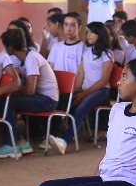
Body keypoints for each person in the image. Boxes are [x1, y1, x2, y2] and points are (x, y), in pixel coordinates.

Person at [0, 27, 59, 159]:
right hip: (42, 97)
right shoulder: (26, 58)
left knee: (7, 102)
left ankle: (11, 144)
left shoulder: (31, 58)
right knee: (6, 100)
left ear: (9, 48)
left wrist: (12, 92)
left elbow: (29, 90)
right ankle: (20, 142)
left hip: (47, 100)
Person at [48, 22, 115, 154]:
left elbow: (104, 80)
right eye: (87, 32)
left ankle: (64, 141)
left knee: (81, 107)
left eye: (91, 32)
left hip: (102, 91)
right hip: (86, 90)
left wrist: (83, 94)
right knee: (63, 100)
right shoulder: (87, 50)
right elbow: (80, 74)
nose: (88, 35)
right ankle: (54, 135)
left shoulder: (107, 54)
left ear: (99, 34)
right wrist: (74, 91)